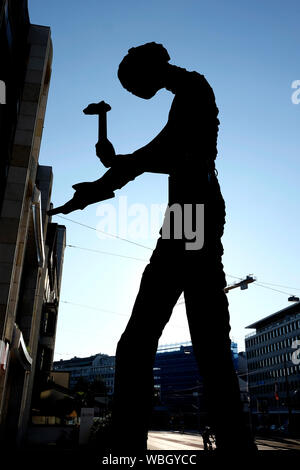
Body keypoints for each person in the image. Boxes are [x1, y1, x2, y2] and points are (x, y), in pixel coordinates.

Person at [48, 42, 257, 454]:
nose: (132, 92)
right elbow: (162, 155)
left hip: (192, 217)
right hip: (187, 217)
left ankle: (129, 448)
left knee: (184, 340)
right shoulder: (185, 96)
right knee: (189, 340)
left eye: (132, 83)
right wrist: (106, 178)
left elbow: (166, 153)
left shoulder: (194, 89)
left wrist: (112, 170)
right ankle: (222, 444)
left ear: (154, 67)